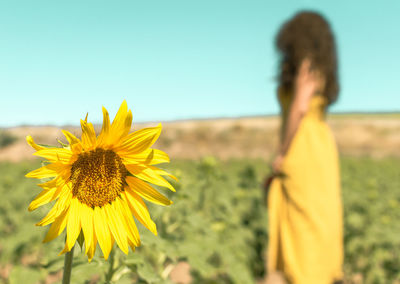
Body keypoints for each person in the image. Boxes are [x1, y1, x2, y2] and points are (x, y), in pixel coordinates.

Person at [267, 11, 343, 284]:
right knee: (319, 215)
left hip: (302, 145)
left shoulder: (305, 66)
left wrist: (282, 152)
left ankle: (306, 277)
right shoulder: (321, 67)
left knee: (303, 219)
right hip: (320, 144)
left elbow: (299, 109)